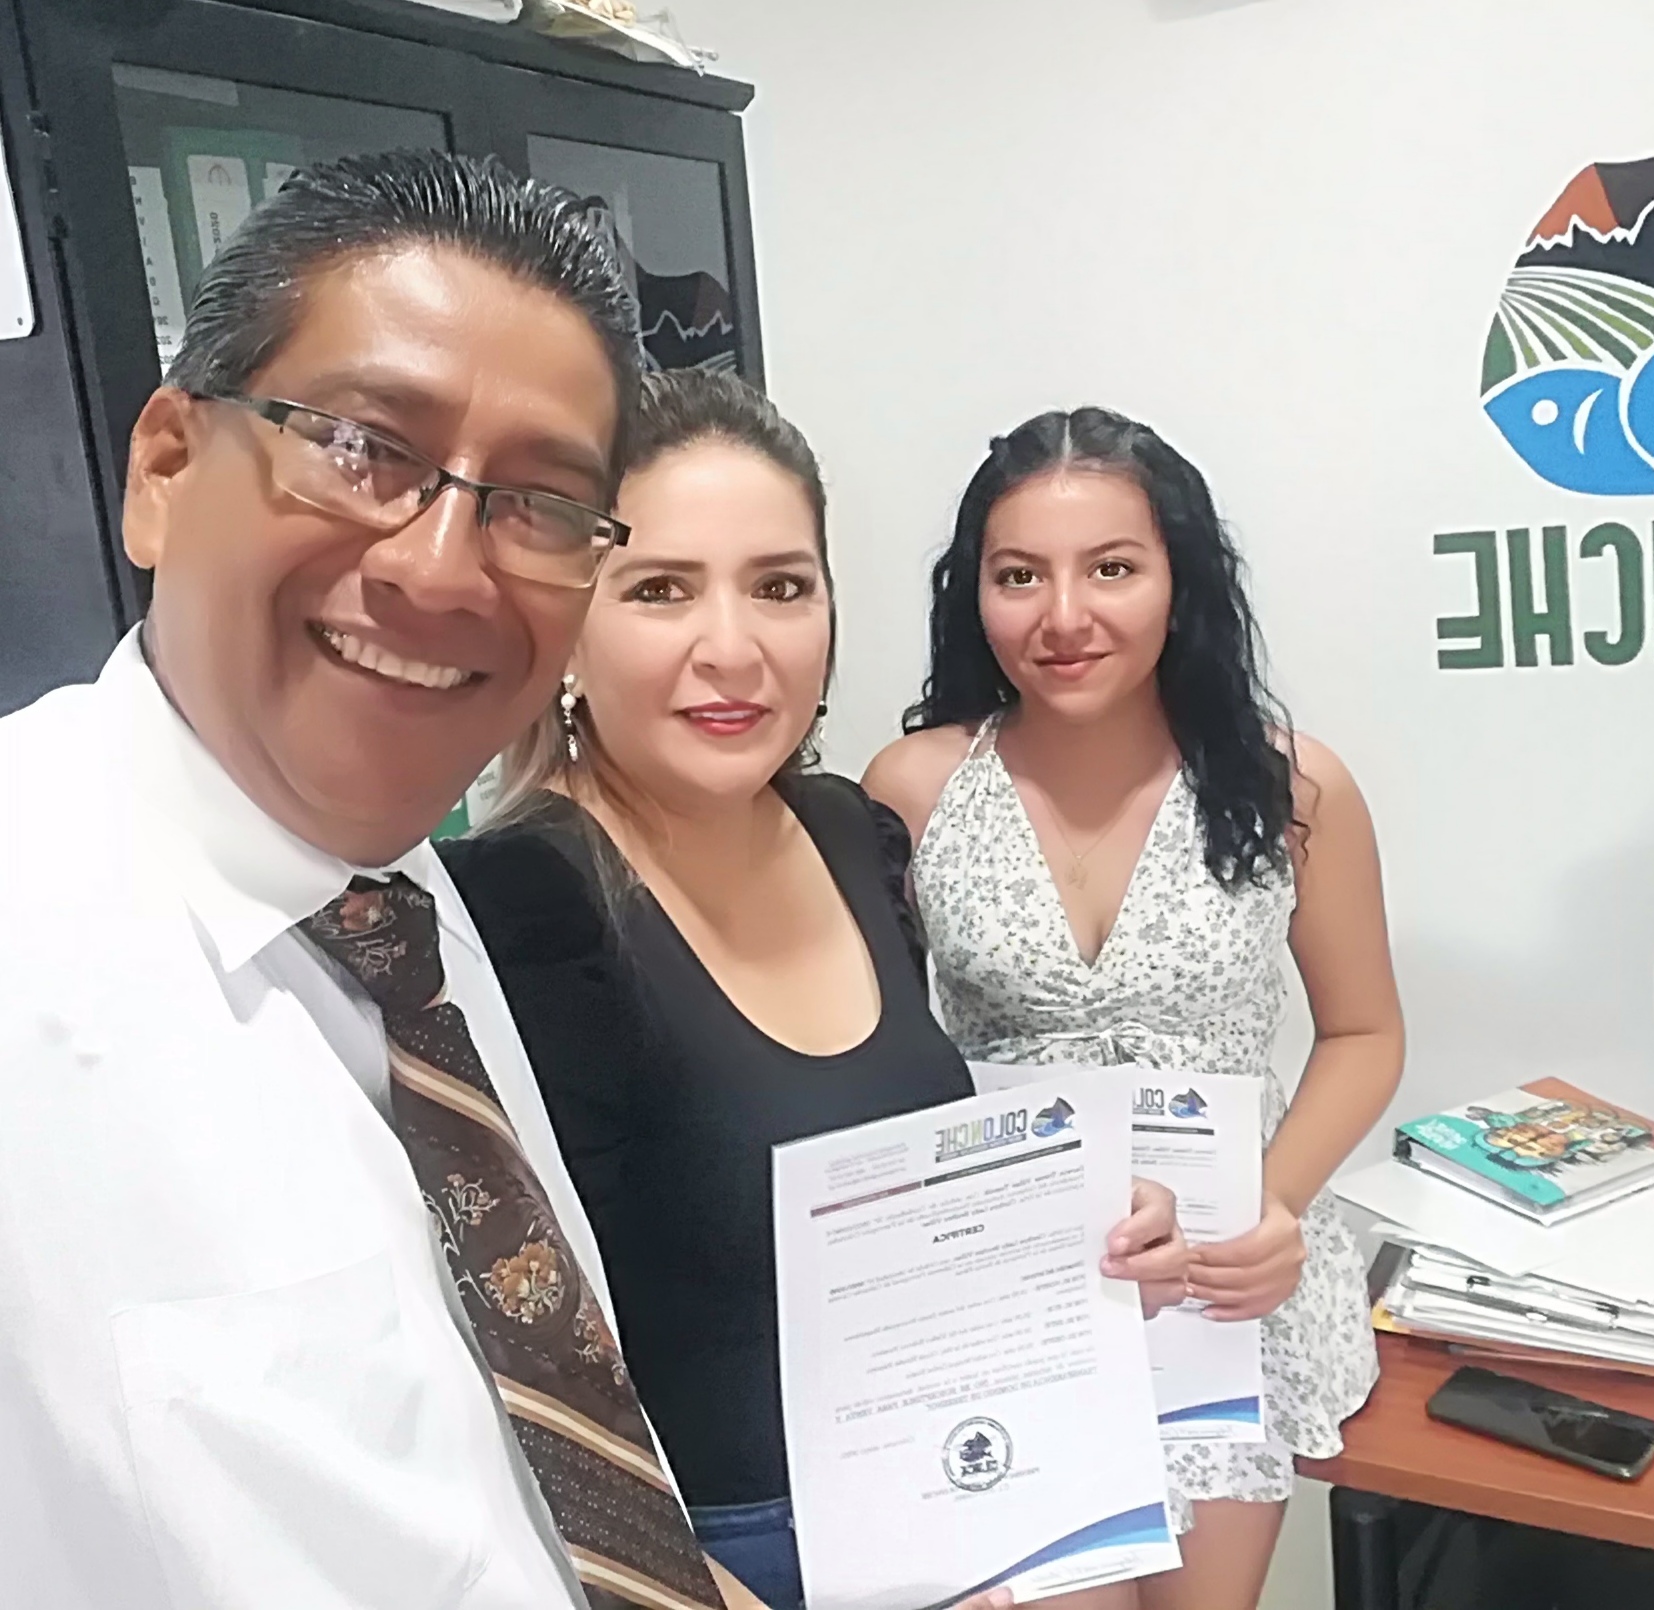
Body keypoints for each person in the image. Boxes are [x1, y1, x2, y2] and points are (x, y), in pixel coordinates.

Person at [0, 148, 921, 1610]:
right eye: (362, 445)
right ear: (164, 467)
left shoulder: (403, 919)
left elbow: (521, 1483)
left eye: (536, 504)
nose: (440, 569)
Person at [441, 371, 1189, 1610]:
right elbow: (508, 1381)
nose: (733, 647)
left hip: (974, 1495)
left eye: (780, 586)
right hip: (716, 1559)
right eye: (661, 588)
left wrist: (1071, 1233)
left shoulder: (852, 832)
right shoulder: (518, 907)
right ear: (569, 622)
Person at [865, 407, 1406, 1610]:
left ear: (1180, 578)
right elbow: (878, 1056)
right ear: (975, 592)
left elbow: (1366, 1031)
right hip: (1013, 1281)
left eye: (1111, 567)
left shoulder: (1290, 784)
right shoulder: (912, 787)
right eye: (1020, 575)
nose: (1064, 615)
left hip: (1223, 1277)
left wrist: (1273, 1203)